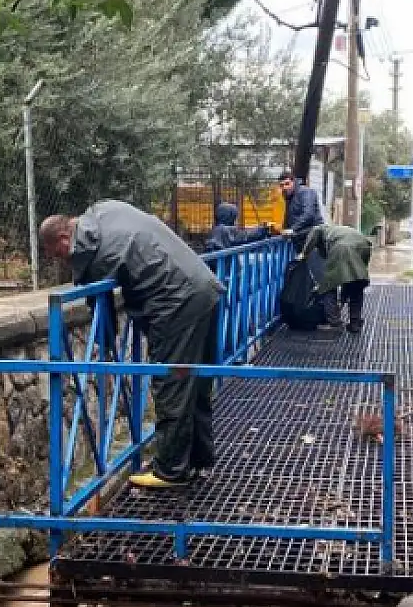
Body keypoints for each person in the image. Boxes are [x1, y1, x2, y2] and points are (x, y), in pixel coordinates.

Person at [39, 202, 223, 489]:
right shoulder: (102, 212)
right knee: (194, 380)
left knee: (172, 381)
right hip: (203, 287)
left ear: (65, 238)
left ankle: (171, 471)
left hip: (177, 302)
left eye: (58, 254)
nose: (60, 261)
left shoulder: (95, 254)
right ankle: (197, 458)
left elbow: (101, 304)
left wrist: (107, 344)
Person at [278, 168, 342, 328]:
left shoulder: (306, 193)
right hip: (303, 243)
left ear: (293, 181)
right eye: (282, 185)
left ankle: (332, 319)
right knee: (309, 281)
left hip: (315, 243)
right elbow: (288, 219)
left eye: (287, 183)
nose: (284, 187)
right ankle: (318, 315)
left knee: (322, 279)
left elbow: (308, 215)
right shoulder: (290, 197)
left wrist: (293, 230)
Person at [300, 221, 373, 333]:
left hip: (342, 248)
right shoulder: (337, 230)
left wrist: (304, 254)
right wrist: (343, 297)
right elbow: (352, 276)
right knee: (356, 285)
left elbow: (315, 232)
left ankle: (334, 323)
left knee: (328, 287)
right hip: (364, 244)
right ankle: (355, 323)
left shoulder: (320, 229)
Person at [204, 201, 274, 253]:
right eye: (234, 217)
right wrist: (264, 228)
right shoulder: (226, 230)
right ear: (229, 216)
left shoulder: (214, 229)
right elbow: (245, 236)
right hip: (225, 268)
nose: (236, 220)